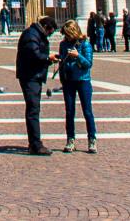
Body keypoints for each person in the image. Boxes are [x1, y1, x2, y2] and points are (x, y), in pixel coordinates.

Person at [15, 14, 57, 156]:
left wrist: (48, 59)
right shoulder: (31, 35)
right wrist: (47, 58)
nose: (50, 35)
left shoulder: (34, 34)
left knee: (34, 108)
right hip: (30, 76)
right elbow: (33, 55)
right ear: (45, 27)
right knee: (33, 109)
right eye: (50, 32)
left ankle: (34, 142)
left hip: (33, 75)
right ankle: (35, 144)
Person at [58, 19, 96, 154]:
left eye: (68, 34)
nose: (65, 37)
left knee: (87, 111)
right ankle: (70, 139)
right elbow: (62, 62)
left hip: (83, 80)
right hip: (68, 81)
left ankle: (92, 139)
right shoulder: (63, 44)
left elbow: (88, 63)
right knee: (69, 112)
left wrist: (78, 55)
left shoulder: (85, 44)